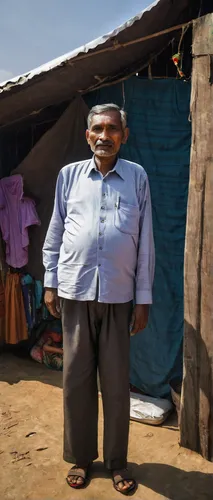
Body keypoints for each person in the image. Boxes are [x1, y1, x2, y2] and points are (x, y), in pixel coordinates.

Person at [43, 103, 155, 495]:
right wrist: (50, 281)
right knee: (76, 380)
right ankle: (80, 457)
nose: (104, 135)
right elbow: (56, 229)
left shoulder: (137, 177)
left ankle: (117, 461)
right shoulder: (69, 176)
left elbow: (145, 244)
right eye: (97, 129)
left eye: (112, 129)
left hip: (119, 295)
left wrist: (143, 298)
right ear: (87, 135)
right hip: (74, 290)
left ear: (124, 135)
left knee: (115, 382)